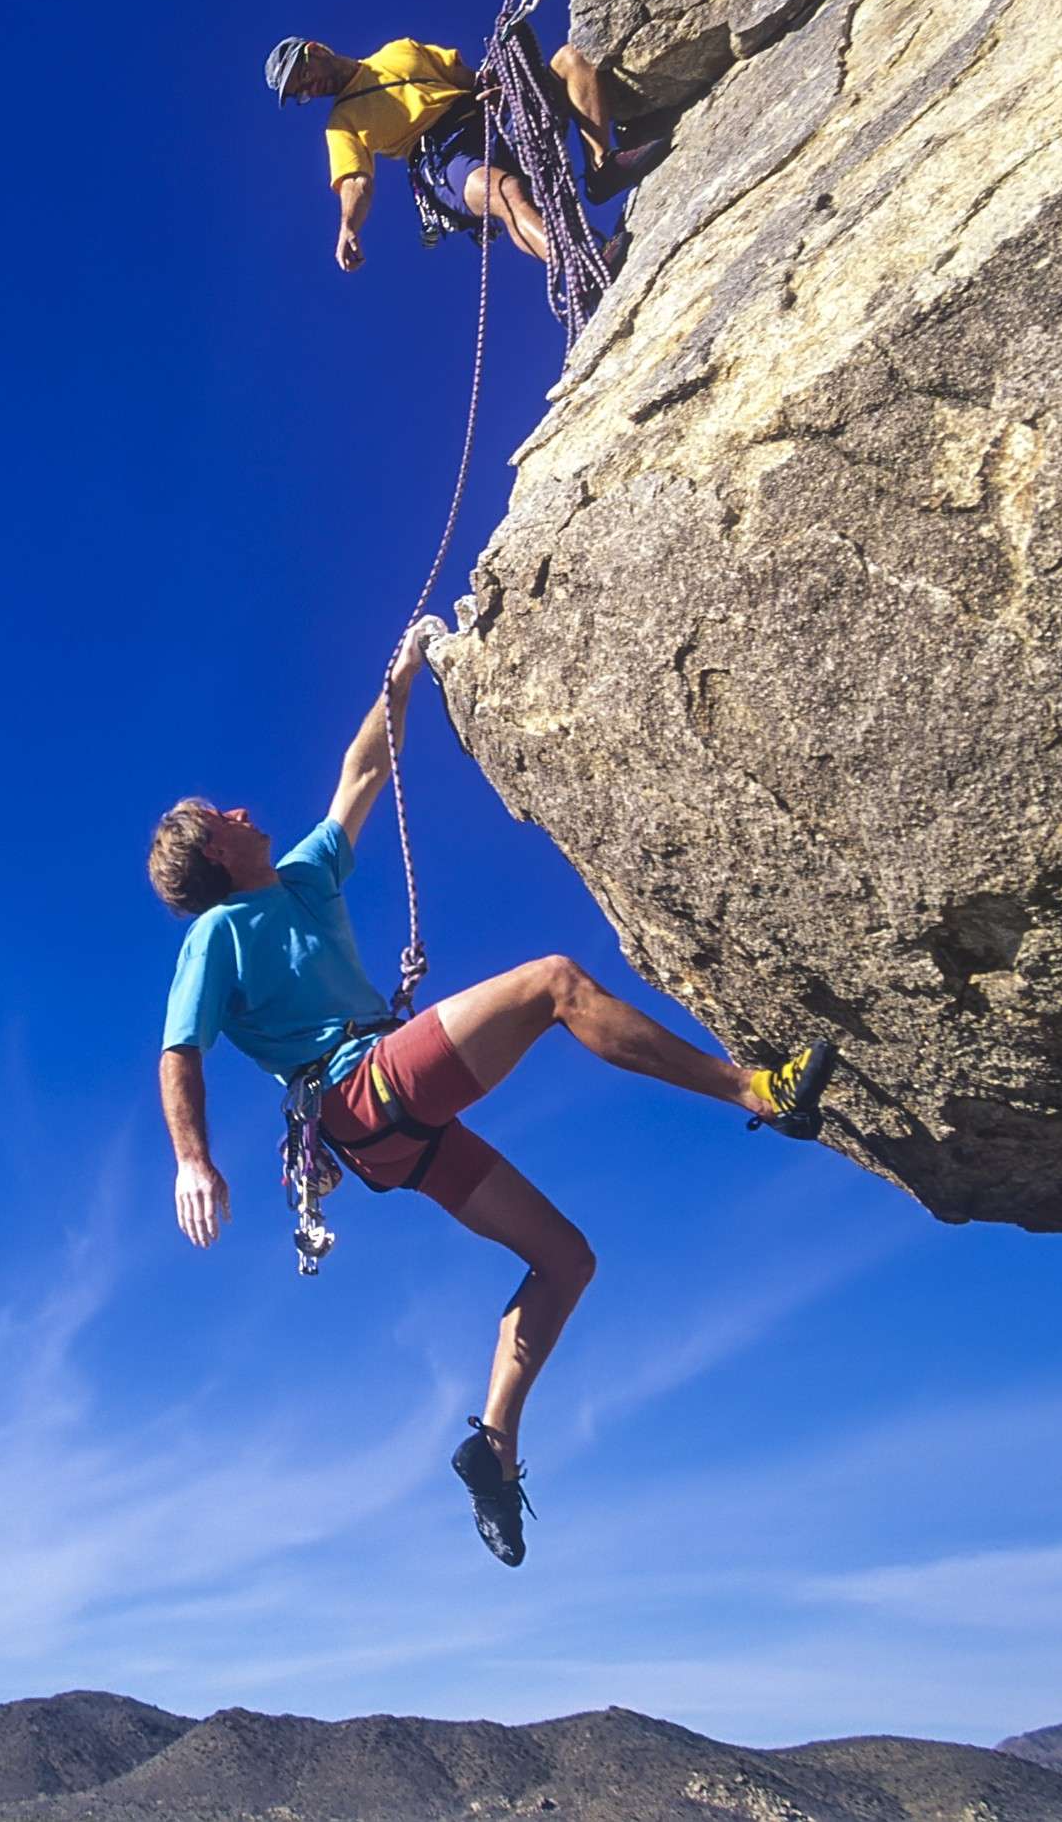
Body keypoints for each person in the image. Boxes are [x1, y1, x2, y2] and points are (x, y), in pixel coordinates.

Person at [147, 616, 835, 1567]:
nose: (241, 807)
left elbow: (361, 774)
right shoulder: (216, 935)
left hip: (389, 1134)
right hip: (359, 1094)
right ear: (215, 850)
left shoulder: (300, 879)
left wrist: (405, 674)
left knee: (566, 1259)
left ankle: (498, 1451)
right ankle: (759, 1091)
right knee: (554, 982)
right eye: (224, 815)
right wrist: (193, 1159)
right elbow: (179, 1050)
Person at [263, 27, 667, 276]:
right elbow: (355, 180)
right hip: (441, 157)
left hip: (485, 114)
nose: (308, 92)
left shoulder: (400, 51)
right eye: (300, 94)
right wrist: (349, 226)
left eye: (302, 79)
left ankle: (601, 166)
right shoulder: (341, 123)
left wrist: (489, 89)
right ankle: (580, 265)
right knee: (505, 193)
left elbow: (464, 77)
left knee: (570, 61)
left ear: (314, 50)